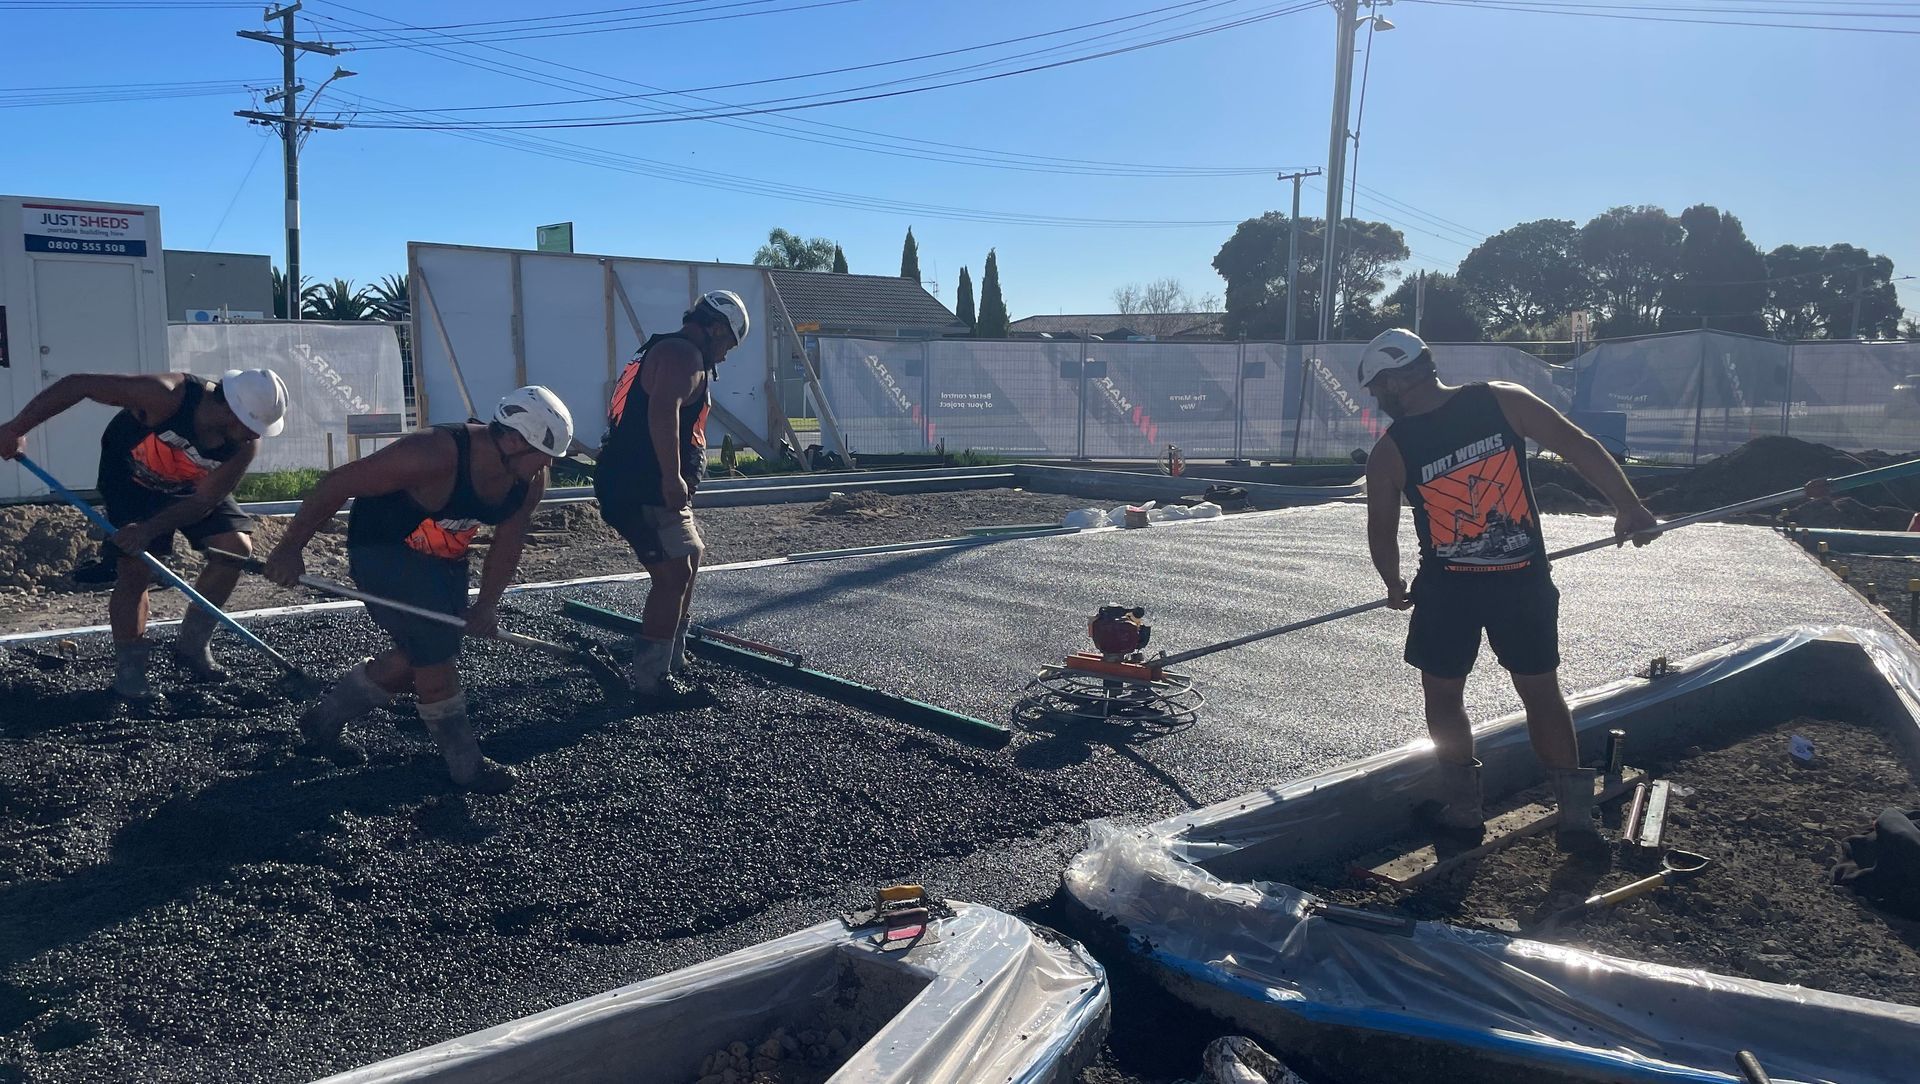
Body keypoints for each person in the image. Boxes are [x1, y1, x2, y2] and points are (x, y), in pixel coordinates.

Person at [1359, 328, 1660, 853]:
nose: (1380, 402)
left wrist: (1393, 583)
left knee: (1444, 695)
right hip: (1522, 582)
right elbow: (1578, 446)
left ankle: (1463, 811)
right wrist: (1627, 505)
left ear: (1395, 381)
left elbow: (1380, 530)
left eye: (1378, 390)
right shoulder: (1501, 400)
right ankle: (1575, 820)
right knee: (1541, 691)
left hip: (1448, 592)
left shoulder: (1391, 452)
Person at [263, 387, 575, 794]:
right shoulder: (433, 452)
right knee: (433, 657)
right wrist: (289, 549)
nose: (547, 465)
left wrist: (486, 604)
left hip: (443, 561)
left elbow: (510, 539)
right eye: (543, 453)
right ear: (512, 440)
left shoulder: (528, 476)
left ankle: (325, 717)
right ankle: (467, 765)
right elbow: (337, 483)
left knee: (422, 655)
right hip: (382, 551)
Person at [0, 369, 290, 698]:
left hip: (189, 488)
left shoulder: (243, 447)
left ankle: (192, 646)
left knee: (235, 547)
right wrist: (16, 428)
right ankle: (131, 671)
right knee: (137, 568)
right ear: (230, 410)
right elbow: (79, 385)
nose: (255, 436)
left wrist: (151, 529)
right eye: (252, 427)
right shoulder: (165, 395)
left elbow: (205, 500)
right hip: (131, 483)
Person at [593, 289, 749, 699]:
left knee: (691, 555)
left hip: (638, 479)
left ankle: (672, 655)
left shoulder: (664, 348)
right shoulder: (684, 356)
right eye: (727, 344)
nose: (726, 355)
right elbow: (662, 411)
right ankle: (650, 678)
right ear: (713, 328)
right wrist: (672, 477)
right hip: (643, 484)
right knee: (673, 575)